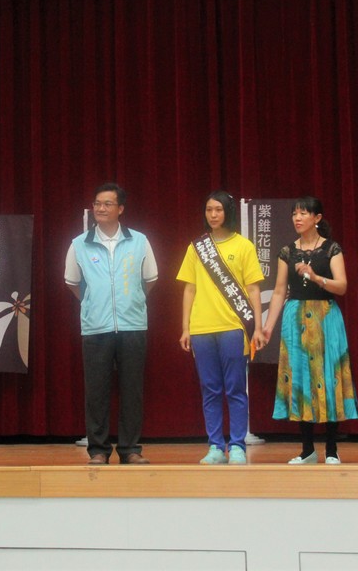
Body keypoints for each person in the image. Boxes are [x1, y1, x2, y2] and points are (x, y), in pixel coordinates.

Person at [65, 183, 157, 465]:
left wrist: (130, 301)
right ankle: (98, 450)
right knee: (96, 392)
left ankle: (130, 449)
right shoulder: (79, 244)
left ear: (121, 209)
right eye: (97, 204)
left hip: (133, 326)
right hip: (96, 327)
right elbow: (72, 283)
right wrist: (94, 302)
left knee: (132, 390)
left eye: (107, 204)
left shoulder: (139, 241)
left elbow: (150, 279)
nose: (101, 208)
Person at [264, 196, 358, 464]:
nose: (297, 218)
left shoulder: (331, 249)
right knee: (299, 378)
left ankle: (332, 449)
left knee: (329, 377)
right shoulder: (287, 251)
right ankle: (307, 449)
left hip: (325, 316)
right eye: (295, 213)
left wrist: (316, 278)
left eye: (303, 213)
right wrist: (268, 327)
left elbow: (342, 286)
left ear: (317, 218)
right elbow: (279, 291)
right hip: (295, 318)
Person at [177, 190, 265, 465]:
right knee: (210, 389)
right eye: (209, 210)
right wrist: (185, 327)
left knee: (236, 389)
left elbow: (253, 289)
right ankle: (215, 445)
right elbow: (189, 289)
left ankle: (237, 445)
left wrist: (258, 327)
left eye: (218, 209)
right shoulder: (196, 247)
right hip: (202, 328)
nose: (213, 215)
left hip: (233, 327)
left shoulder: (244, 246)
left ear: (228, 212)